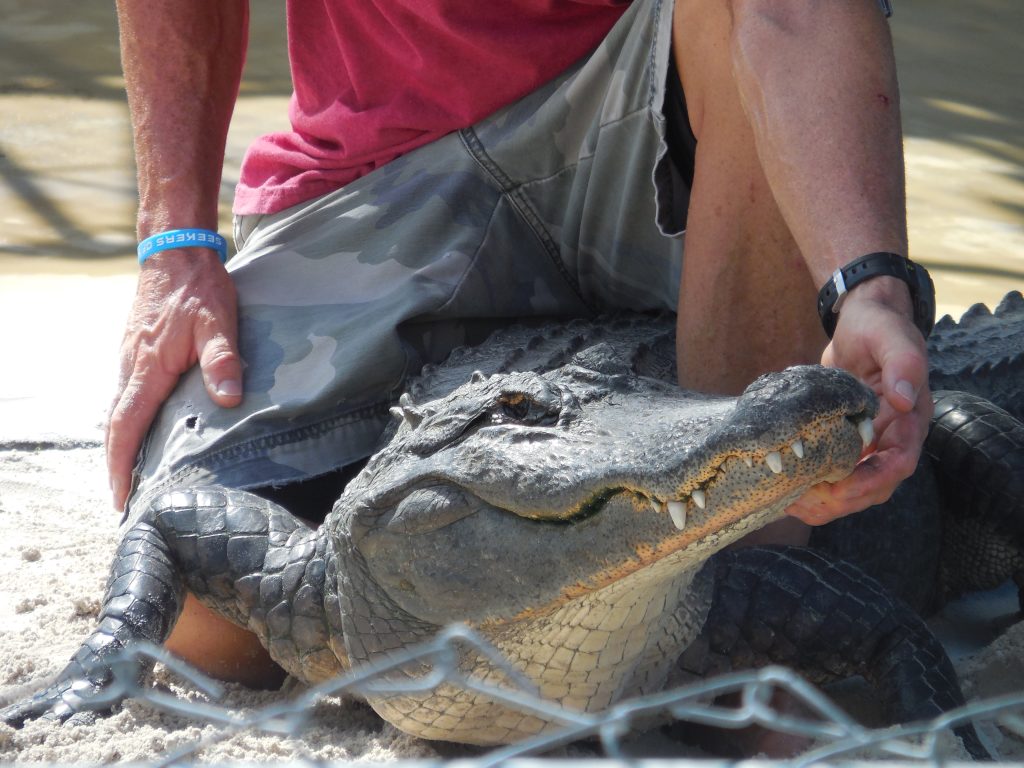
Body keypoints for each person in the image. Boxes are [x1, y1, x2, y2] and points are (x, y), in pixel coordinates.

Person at [109, 0, 932, 685]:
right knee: (203, 624)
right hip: (373, 171)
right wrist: (173, 242)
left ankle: (753, 626)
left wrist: (869, 290)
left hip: (646, 118)